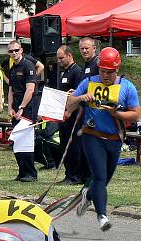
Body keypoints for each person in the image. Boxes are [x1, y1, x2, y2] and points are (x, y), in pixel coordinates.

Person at [67, 47, 141, 232]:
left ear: (117, 69)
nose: (106, 75)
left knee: (104, 180)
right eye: (103, 71)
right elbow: (69, 103)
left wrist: (117, 114)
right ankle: (102, 216)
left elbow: (136, 115)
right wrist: (81, 97)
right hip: (92, 136)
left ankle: (87, 193)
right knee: (99, 176)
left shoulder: (127, 86)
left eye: (110, 72)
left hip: (114, 138)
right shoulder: (89, 82)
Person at [7, 40, 39, 182]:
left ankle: (31, 173)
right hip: (17, 107)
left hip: (28, 108)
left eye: (16, 50)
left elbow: (30, 89)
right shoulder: (13, 68)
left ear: (21, 50)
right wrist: (10, 106)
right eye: (11, 51)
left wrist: (22, 108)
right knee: (18, 142)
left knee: (23, 139)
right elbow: (11, 90)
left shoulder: (28, 65)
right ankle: (22, 172)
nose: (14, 53)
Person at [55, 45, 84, 185]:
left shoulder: (76, 72)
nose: (59, 61)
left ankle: (75, 175)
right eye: (58, 58)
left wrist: (70, 110)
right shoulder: (64, 72)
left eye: (61, 58)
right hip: (63, 114)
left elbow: (77, 96)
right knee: (64, 144)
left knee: (73, 146)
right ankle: (68, 173)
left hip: (72, 115)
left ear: (69, 55)